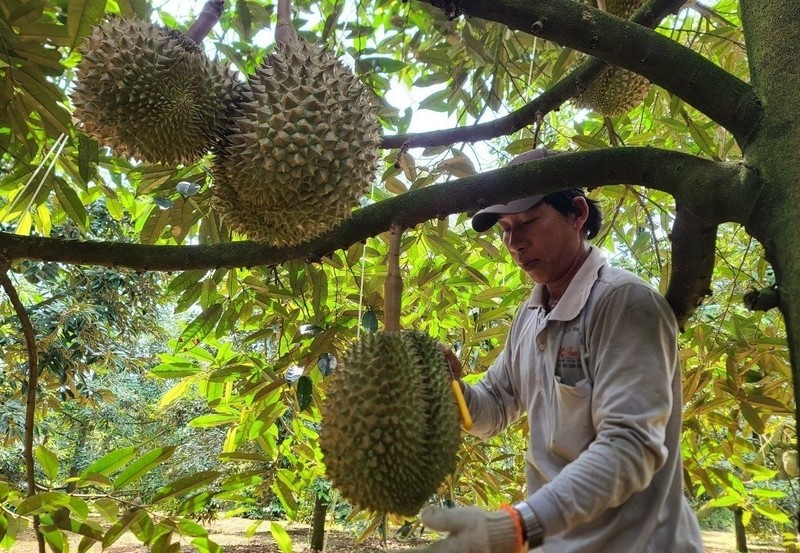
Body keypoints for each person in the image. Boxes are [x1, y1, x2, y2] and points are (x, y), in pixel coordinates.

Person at [418, 148, 704, 553]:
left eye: (529, 222)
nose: (515, 243)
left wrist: (517, 525)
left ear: (577, 214)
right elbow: (495, 406)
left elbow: (630, 446)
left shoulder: (625, 303)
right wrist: (448, 388)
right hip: (556, 542)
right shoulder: (531, 314)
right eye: (505, 229)